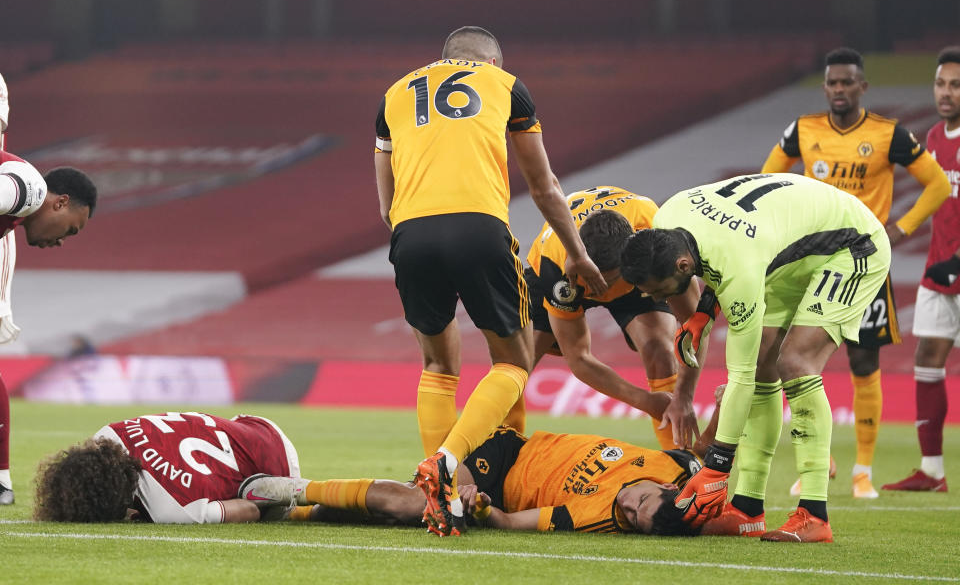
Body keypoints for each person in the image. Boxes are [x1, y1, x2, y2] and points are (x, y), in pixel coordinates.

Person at [374, 26, 606, 536]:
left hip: (410, 234)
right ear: (492, 61)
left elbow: (385, 199)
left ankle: (439, 496)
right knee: (515, 362)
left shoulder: (394, 94)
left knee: (437, 364)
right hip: (479, 228)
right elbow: (543, 186)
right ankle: (453, 463)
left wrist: (413, 240)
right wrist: (578, 252)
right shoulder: (506, 85)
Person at [619, 173, 891, 543]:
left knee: (794, 362)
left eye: (660, 291)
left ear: (682, 267)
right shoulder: (668, 220)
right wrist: (703, 310)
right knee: (765, 366)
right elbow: (715, 255)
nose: (659, 300)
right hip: (784, 251)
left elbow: (739, 377)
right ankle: (747, 510)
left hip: (851, 246)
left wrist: (717, 466)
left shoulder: (738, 268)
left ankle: (815, 514)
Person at [760, 48, 951, 499]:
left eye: (848, 83)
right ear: (825, 87)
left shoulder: (889, 135)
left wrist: (899, 229)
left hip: (862, 264)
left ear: (862, 87)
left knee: (865, 364)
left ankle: (862, 470)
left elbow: (939, 183)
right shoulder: (803, 131)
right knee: (790, 358)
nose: (839, 90)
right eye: (832, 83)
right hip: (809, 263)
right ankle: (818, 459)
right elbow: (766, 180)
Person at [240, 426, 703, 536]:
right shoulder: (677, 470)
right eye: (639, 500)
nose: (626, 506)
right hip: (507, 450)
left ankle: (294, 501)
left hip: (493, 490)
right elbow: (714, 464)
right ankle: (281, 492)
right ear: (665, 488)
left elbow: (506, 520)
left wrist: (482, 507)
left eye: (632, 518)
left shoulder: (592, 518)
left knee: (408, 508)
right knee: (415, 503)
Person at [512, 187, 702, 449]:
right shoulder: (555, 266)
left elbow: (695, 325)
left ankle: (681, 463)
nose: (596, 289)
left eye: (605, 281)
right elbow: (578, 358)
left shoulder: (658, 236)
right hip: (566, 277)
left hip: (628, 271)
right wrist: (645, 401)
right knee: (514, 368)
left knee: (660, 349)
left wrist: (683, 397)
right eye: (591, 278)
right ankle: (495, 455)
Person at [0, 73, 97, 506]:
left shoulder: (11, 225)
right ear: (58, 203)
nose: (60, 242)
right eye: (70, 230)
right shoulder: (27, 187)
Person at [883, 47, 960, 493]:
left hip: (956, 265)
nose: (945, 92)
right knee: (928, 361)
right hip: (939, 269)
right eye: (940, 83)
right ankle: (932, 471)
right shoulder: (933, 137)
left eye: (954, 84)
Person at [34, 411, 301, 523]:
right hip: (253, 425)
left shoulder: (168, 509)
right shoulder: (108, 434)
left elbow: (250, 509)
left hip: (277, 465)